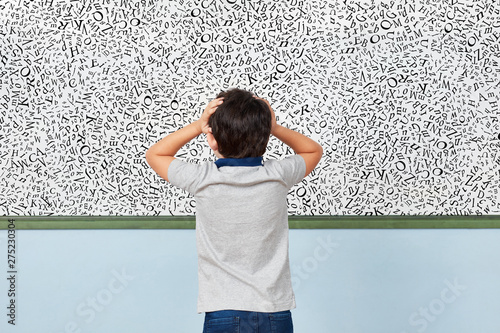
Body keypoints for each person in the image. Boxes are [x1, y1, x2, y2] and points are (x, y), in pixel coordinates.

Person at [146, 88, 323, 333]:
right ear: (265, 137)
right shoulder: (278, 175)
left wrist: (199, 125)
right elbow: (313, 150)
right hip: (274, 311)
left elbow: (156, 153)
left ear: (212, 139)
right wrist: (275, 127)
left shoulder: (203, 178)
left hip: (223, 310)